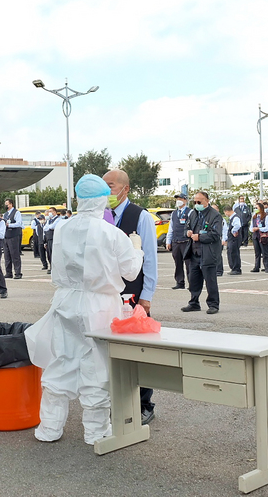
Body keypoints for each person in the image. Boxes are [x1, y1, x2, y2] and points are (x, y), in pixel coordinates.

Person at [25, 175, 143, 445]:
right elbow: (131, 271)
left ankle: (49, 428)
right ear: (103, 200)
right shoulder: (111, 233)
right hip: (99, 305)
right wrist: (137, 249)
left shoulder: (62, 228)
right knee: (97, 367)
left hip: (66, 300)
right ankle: (96, 432)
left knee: (61, 360)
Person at [102, 169, 158, 425]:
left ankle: (144, 403)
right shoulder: (102, 216)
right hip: (108, 292)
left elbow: (150, 259)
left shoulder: (140, 216)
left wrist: (146, 296)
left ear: (125, 189)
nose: (107, 191)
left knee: (139, 348)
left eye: (111, 186)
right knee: (113, 347)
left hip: (134, 292)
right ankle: (118, 401)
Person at [182, 191, 223, 314]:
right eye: (195, 202)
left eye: (199, 202)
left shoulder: (215, 215)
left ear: (207, 201)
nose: (196, 204)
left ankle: (213, 304)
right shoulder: (193, 213)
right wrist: (188, 232)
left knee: (210, 281)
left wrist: (200, 237)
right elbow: (186, 227)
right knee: (193, 280)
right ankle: (194, 303)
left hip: (208, 253)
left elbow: (216, 234)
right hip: (194, 253)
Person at [166, 193, 192, 289]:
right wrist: (168, 241)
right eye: (177, 199)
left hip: (186, 242)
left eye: (180, 199)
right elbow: (171, 228)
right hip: (176, 242)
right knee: (178, 263)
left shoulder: (190, 212)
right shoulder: (174, 213)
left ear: (185, 200)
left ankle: (192, 283)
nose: (178, 201)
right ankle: (180, 282)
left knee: (189, 264)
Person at [2, 199, 23, 279]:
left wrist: (9, 225)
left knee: (15, 255)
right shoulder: (5, 214)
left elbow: (18, 223)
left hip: (14, 236)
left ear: (11, 204)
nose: (5, 206)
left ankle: (18, 273)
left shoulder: (16, 213)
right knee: (7, 256)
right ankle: (8, 272)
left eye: (7, 204)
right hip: (6, 236)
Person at [250, 203, 268, 273]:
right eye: (255, 208)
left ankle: (266, 267)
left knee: (265, 252)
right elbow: (251, 226)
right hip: (255, 236)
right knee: (257, 252)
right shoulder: (254, 217)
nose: (256, 209)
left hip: (263, 236)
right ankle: (256, 267)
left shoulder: (266, 216)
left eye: (257, 208)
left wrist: (259, 228)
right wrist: (252, 229)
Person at [223, 205, 242, 275]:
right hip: (232, 239)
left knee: (234, 253)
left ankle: (236, 268)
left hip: (234, 239)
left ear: (227, 211)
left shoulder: (235, 217)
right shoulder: (232, 218)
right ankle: (233, 268)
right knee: (231, 252)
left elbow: (237, 225)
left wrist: (233, 231)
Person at [44, 207, 59, 274]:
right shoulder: (49, 220)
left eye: (51, 211)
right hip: (49, 238)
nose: (49, 213)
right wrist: (49, 227)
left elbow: (52, 227)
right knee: (49, 254)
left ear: (54, 212)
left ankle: (55, 268)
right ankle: (51, 267)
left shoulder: (58, 219)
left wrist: (49, 227)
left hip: (54, 238)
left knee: (54, 254)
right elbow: (45, 228)